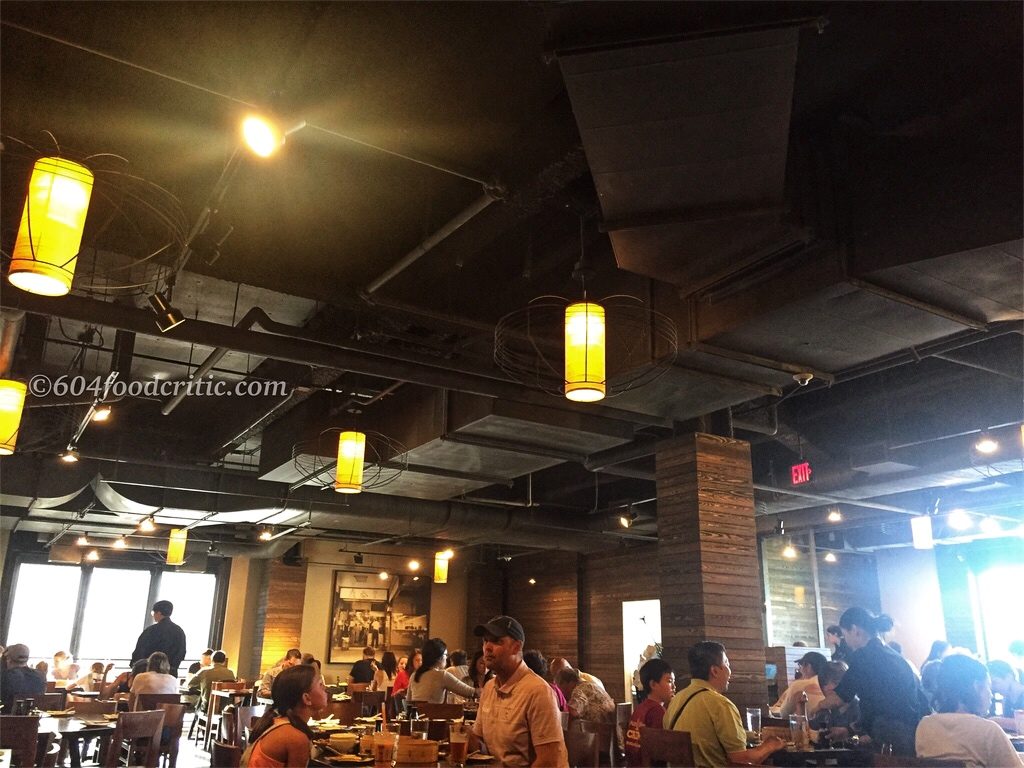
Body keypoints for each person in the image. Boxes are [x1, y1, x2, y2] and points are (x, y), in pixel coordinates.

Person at [821, 607, 930, 756]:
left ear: (855, 630)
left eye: (844, 634)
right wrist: (849, 730)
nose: (845, 640)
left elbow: (841, 696)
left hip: (889, 733)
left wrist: (815, 706)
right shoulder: (894, 656)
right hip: (911, 732)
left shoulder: (864, 655)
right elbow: (879, 702)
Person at [664, 641, 785, 768]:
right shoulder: (720, 705)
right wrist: (769, 746)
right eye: (727, 664)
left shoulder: (675, 701)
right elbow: (740, 761)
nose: (730, 672)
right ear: (715, 671)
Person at [472, 615, 567, 768]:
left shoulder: (538, 691)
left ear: (516, 647)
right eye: (485, 640)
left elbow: (549, 761)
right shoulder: (489, 687)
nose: (487, 647)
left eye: (496, 641)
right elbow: (478, 741)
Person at [915, 655, 1023, 767]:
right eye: (988, 687)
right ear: (977, 687)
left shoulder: (924, 726)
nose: (991, 694)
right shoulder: (987, 730)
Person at [245, 664, 328, 767]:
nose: (325, 687)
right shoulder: (296, 737)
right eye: (320, 684)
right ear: (307, 698)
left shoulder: (278, 722)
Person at [624, 658, 675, 767]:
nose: (674, 687)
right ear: (653, 684)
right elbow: (661, 751)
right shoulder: (657, 711)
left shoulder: (640, 708)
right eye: (669, 681)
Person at [408, 637, 477, 703]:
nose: (447, 658)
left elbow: (408, 701)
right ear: (439, 658)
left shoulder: (414, 675)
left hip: (416, 715)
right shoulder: (441, 675)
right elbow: (470, 692)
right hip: (434, 714)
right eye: (446, 654)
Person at [131, 600, 187, 675]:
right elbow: (181, 653)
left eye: (153, 613)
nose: (153, 615)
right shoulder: (179, 631)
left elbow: (140, 651)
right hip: (169, 674)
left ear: (159, 613)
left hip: (149, 673)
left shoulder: (151, 631)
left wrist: (135, 666)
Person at [808, 662, 860, 736]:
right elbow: (808, 733)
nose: (828, 688)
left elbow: (866, 735)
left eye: (835, 682)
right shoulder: (825, 710)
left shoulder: (860, 708)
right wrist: (800, 705)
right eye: (824, 683)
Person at [776, 651, 826, 716]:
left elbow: (784, 712)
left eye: (800, 665)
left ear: (808, 666)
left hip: (806, 725)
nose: (799, 670)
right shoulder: (829, 685)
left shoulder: (798, 685)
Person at [0, 644, 45, 712]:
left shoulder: (5, 677)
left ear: (8, 659)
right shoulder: (41, 676)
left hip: (6, 720)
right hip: (33, 720)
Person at [987, 660, 1024, 727]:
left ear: (1009, 677)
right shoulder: (1006, 699)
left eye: (994, 682)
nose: (992, 688)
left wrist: (1000, 721)